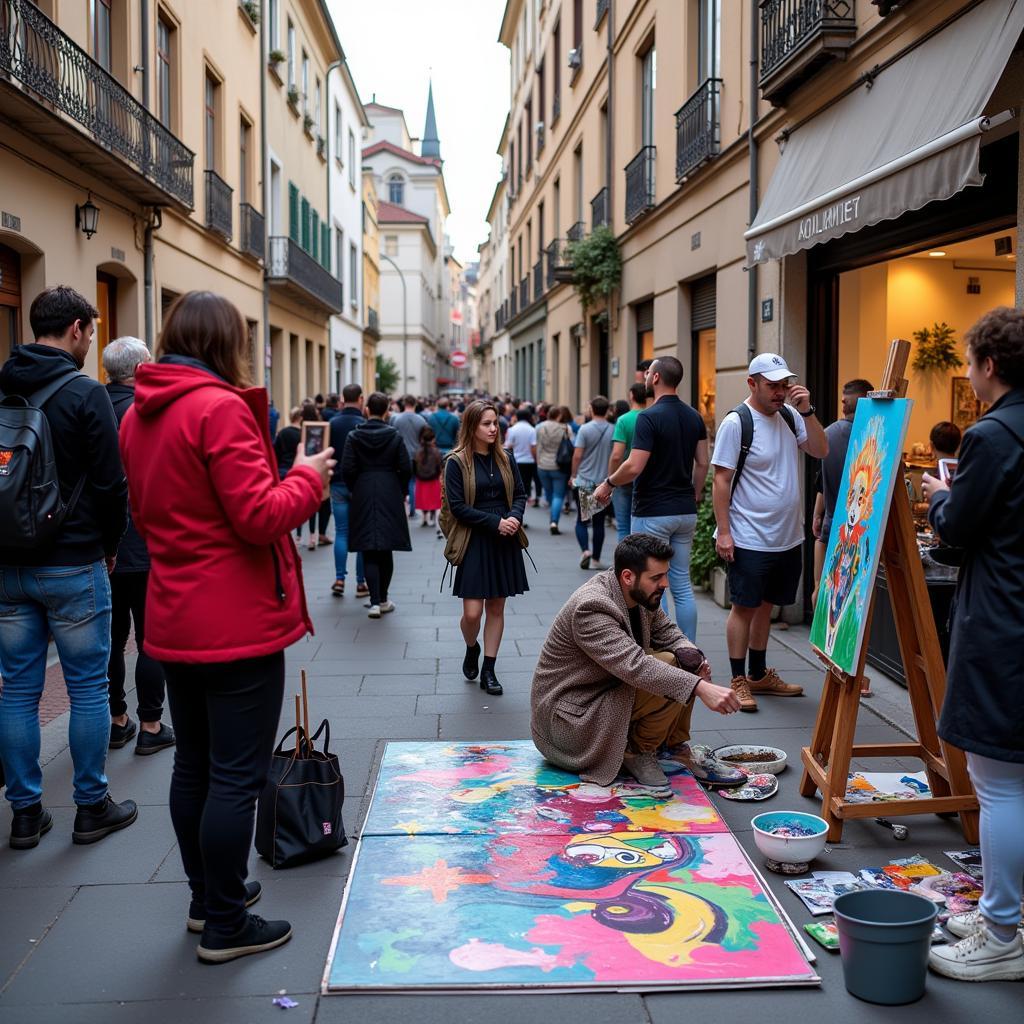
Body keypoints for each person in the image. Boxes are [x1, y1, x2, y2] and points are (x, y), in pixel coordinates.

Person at [120, 290, 329, 963]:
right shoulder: (217, 410)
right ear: (225, 342)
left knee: (195, 766)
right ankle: (226, 922)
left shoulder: (140, 415)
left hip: (174, 611)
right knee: (236, 776)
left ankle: (204, 898)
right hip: (233, 619)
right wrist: (307, 478)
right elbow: (260, 516)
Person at [0, 285, 136, 850]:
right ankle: (90, 805)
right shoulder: (87, 393)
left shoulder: (4, 384)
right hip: (74, 560)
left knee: (16, 691)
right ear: (77, 328)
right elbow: (111, 483)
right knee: (86, 688)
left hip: (10, 562)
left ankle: (25, 814)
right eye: (91, 330)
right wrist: (110, 545)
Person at [921, 307, 1024, 983]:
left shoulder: (992, 434)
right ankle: (1002, 913)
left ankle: (1004, 931)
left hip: (1006, 619)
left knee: (999, 782)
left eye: (970, 361)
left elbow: (957, 532)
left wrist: (937, 496)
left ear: (989, 365)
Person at [531, 534, 742, 790]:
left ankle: (672, 747)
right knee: (668, 667)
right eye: (656, 578)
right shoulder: (592, 606)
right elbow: (636, 666)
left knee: (682, 662)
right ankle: (637, 751)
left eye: (665, 574)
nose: (665, 583)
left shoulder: (639, 594)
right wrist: (700, 687)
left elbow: (668, 632)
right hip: (569, 724)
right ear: (628, 576)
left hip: (603, 692)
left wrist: (694, 656)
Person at [711, 354, 828, 712]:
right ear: (752, 384)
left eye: (783, 385)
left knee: (767, 606)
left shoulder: (792, 416)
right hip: (749, 535)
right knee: (744, 607)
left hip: (787, 536)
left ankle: (758, 674)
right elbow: (721, 480)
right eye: (772, 385)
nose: (780, 393)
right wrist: (725, 532)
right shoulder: (737, 422)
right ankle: (737, 680)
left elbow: (821, 450)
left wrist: (807, 410)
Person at [595, 357, 708, 641]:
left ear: (655, 378)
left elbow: (634, 465)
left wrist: (608, 483)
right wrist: (694, 495)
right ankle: (688, 648)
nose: (645, 376)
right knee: (681, 582)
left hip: (653, 510)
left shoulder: (649, 417)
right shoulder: (694, 416)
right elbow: (703, 463)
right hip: (684, 510)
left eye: (648, 373)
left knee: (651, 583)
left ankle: (662, 646)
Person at [103, 337, 174, 756]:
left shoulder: (91, 405)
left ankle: (117, 720)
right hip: (145, 544)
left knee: (112, 639)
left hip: (104, 546)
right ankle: (151, 724)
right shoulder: (148, 412)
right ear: (143, 367)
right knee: (151, 639)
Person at [444, 400, 529, 697]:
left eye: (496, 423)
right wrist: (496, 522)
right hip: (474, 539)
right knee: (471, 614)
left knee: (496, 607)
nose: (494, 428)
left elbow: (520, 493)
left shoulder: (506, 457)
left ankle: (489, 669)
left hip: (504, 541)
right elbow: (457, 508)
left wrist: (515, 517)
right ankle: (472, 647)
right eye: (486, 424)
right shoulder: (456, 461)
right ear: (472, 427)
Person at [342, 392, 412, 619]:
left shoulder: (354, 436)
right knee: (386, 547)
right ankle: (383, 599)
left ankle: (373, 602)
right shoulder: (394, 436)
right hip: (389, 489)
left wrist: (356, 487)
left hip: (363, 489)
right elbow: (406, 466)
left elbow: (348, 469)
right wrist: (400, 490)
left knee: (369, 547)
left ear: (366, 409)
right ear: (386, 411)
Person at [811, 378, 873, 608]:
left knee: (823, 590)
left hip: (831, 525)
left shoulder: (827, 435)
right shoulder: (874, 436)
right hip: (862, 532)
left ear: (844, 402)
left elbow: (821, 481)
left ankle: (818, 640)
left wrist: (817, 514)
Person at [327, 384, 368, 598]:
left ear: (343, 399)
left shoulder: (332, 423)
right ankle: (361, 583)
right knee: (361, 534)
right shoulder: (363, 424)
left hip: (337, 484)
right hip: (359, 485)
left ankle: (339, 579)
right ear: (360, 399)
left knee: (341, 532)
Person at [571, 395, 615, 570]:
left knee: (582, 520)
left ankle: (586, 551)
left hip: (584, 481)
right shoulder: (613, 429)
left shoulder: (584, 429)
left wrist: (573, 475)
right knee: (599, 522)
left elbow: (577, 455)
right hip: (603, 483)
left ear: (591, 409)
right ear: (607, 410)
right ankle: (596, 558)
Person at [605, 383, 649, 544]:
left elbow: (617, 455)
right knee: (642, 527)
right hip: (646, 478)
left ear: (631, 395)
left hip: (624, 478)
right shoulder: (652, 416)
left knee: (623, 526)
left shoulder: (624, 420)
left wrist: (611, 479)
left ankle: (625, 563)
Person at [298, 403, 331, 551]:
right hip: (318, 468)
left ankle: (302, 536)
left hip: (302, 468)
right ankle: (316, 535)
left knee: (305, 504)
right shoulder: (320, 429)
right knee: (320, 505)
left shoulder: (301, 430)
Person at [536, 405, 573, 534]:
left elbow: (538, 446)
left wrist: (538, 461)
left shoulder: (540, 427)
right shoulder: (565, 428)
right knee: (558, 495)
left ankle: (553, 514)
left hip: (542, 465)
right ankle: (554, 521)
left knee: (550, 493)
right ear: (559, 415)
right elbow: (571, 446)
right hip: (559, 466)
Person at [391, 394, 429, 518]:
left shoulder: (396, 419)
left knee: (401, 482)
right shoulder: (421, 420)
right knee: (414, 482)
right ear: (415, 404)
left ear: (404, 403)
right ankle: (413, 508)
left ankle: (402, 508)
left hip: (401, 455)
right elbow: (426, 439)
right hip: (417, 455)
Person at [504, 407, 538, 509]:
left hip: (517, 460)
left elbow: (508, 445)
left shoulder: (512, 429)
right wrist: (536, 459)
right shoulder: (532, 430)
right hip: (529, 461)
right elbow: (533, 447)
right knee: (526, 486)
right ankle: (525, 503)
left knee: (517, 486)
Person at [413, 426, 443, 529]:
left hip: (421, 479)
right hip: (433, 478)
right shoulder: (436, 452)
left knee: (423, 498)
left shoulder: (418, 452)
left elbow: (414, 465)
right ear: (433, 438)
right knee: (433, 499)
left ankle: (424, 518)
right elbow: (439, 466)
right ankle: (433, 518)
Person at [273, 406, 302, 477]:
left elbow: (276, 452)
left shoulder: (282, 432)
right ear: (301, 418)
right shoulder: (302, 434)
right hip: (297, 469)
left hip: (282, 469)